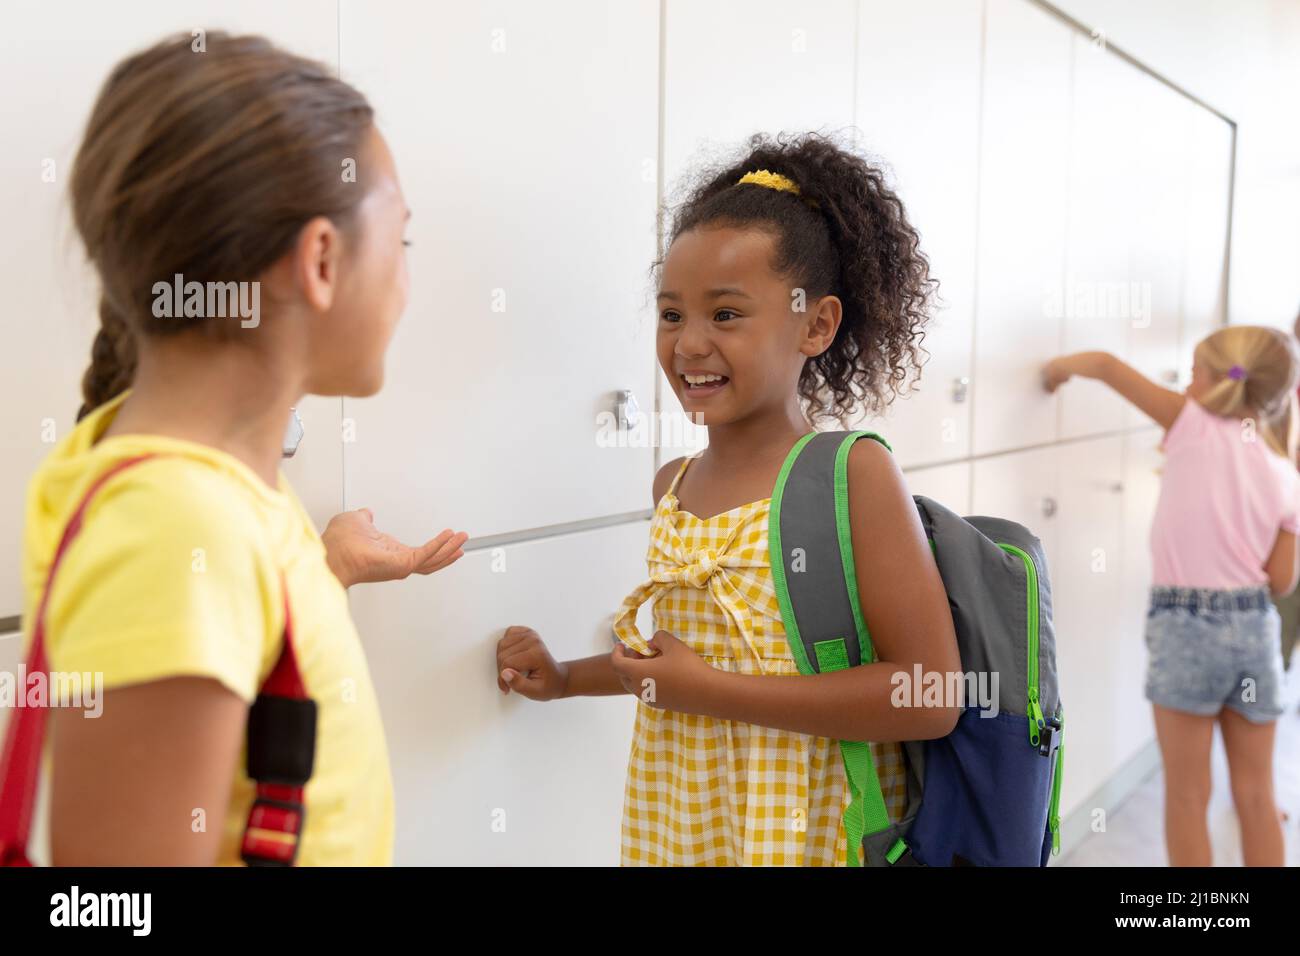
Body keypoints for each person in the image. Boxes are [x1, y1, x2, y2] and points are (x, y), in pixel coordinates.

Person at [16, 32, 461, 865]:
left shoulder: (207, 493)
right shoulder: (173, 524)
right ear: (322, 260)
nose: (406, 282)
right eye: (399, 242)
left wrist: (321, 573)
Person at [496, 133, 961, 865]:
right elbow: (680, 662)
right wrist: (562, 680)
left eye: (726, 314)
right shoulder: (673, 488)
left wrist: (711, 691)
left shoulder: (852, 477)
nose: (688, 344)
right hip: (682, 827)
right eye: (672, 314)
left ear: (816, 324)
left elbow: (930, 695)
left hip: (807, 837)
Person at [1043, 325, 1299, 866]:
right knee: (1256, 796)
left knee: (1187, 796)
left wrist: (1056, 369)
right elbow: (1282, 581)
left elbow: (1108, 365)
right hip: (1254, 631)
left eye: (1193, 373)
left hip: (1186, 631)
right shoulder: (1284, 472)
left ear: (1213, 384)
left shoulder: (1191, 425)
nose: (1185, 382)